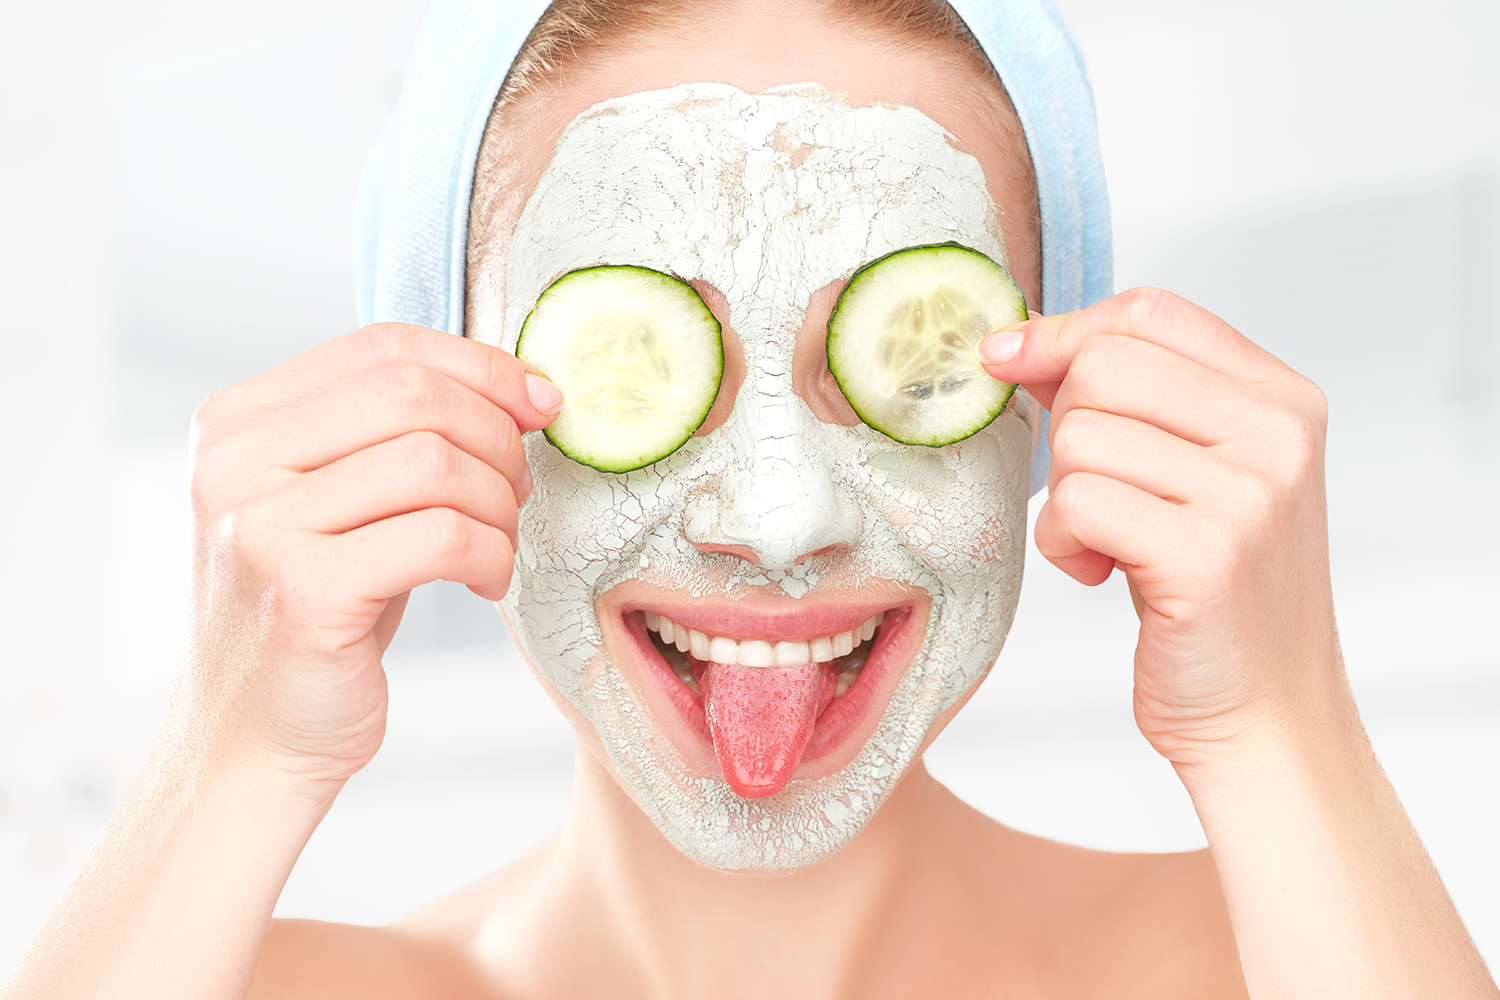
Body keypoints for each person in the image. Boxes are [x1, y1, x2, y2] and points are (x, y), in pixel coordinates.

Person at [5, 0, 1496, 997]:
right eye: (634, 363)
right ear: (438, 403)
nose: (777, 521)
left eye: (901, 358)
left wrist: (1276, 723)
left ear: (1050, 405)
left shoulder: (1260, 952)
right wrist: (233, 747)